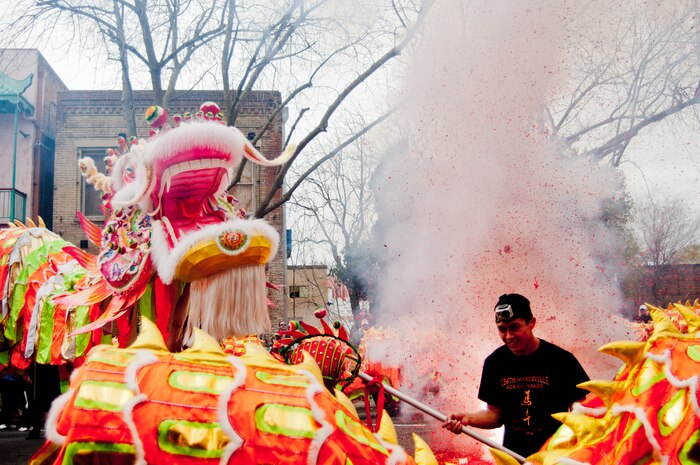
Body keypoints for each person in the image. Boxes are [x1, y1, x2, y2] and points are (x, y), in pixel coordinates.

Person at [442, 293, 590, 457]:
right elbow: (495, 415)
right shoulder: (494, 363)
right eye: (502, 329)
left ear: (531, 323)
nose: (509, 336)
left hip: (556, 457)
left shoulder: (562, 360)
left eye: (515, 327)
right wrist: (467, 419)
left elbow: (581, 412)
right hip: (514, 457)